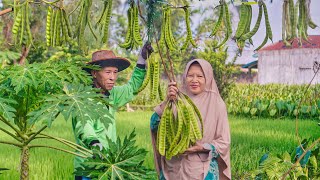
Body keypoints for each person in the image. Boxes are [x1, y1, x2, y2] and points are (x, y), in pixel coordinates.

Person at [72, 43, 153, 180]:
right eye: (107, 72)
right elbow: (84, 125)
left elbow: (132, 88)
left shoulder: (113, 94)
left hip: (108, 163)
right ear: (94, 73)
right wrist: (94, 143)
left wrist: (142, 59)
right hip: (89, 168)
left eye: (115, 72)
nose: (113, 77)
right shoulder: (82, 98)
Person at [150, 59, 231, 180]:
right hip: (172, 170)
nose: (194, 80)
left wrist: (202, 147)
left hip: (201, 171)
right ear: (184, 77)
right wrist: (167, 101)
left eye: (200, 76)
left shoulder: (217, 104)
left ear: (207, 78)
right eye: (190, 75)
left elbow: (224, 142)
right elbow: (154, 125)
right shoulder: (175, 98)